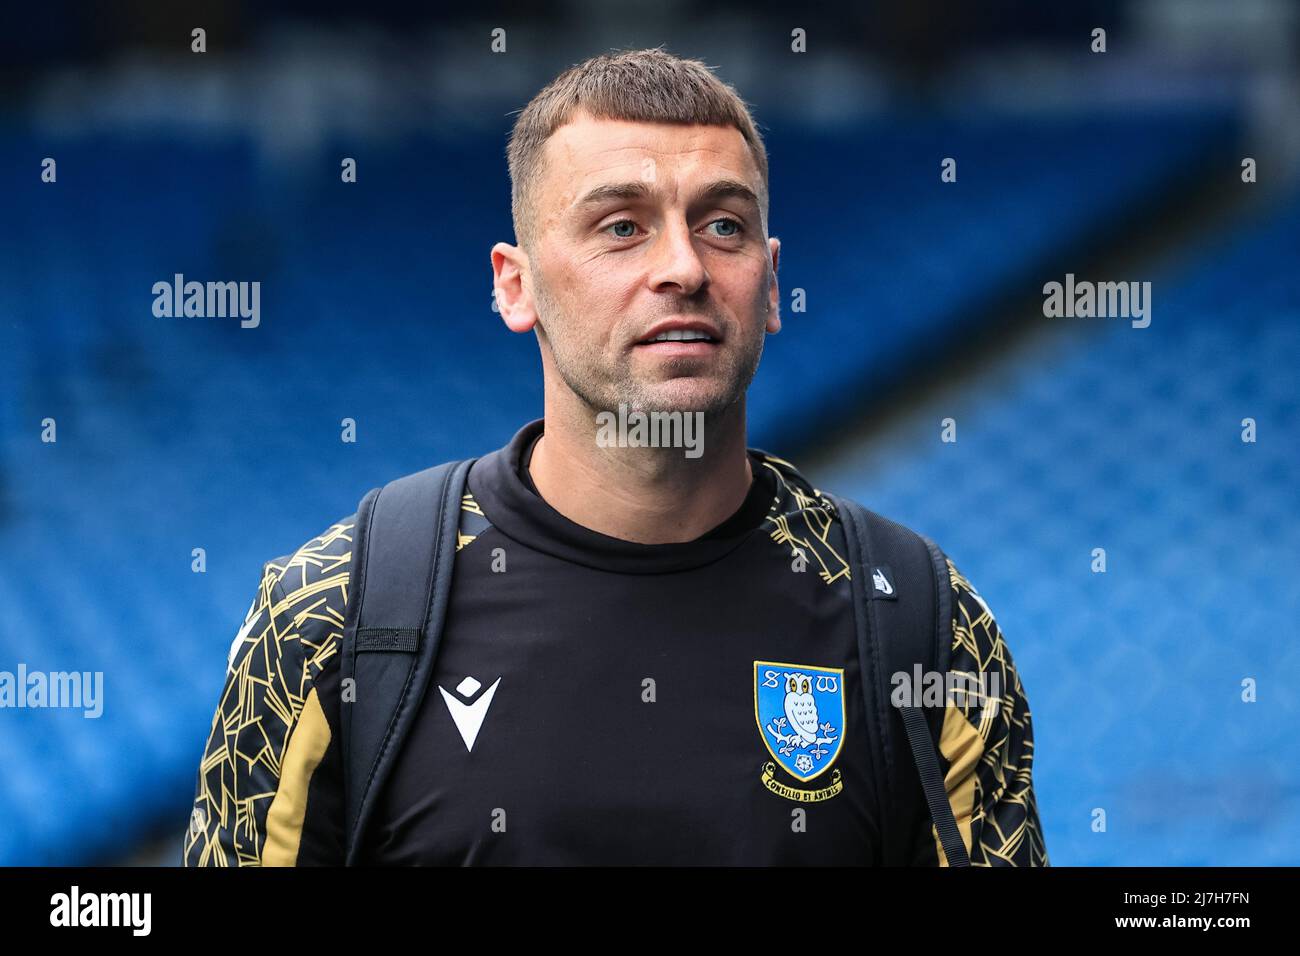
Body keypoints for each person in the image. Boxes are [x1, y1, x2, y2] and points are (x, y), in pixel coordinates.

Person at [182, 47, 1047, 867]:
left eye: (723, 224)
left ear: (772, 283)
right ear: (515, 285)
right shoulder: (337, 615)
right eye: (623, 225)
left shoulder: (920, 625)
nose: (683, 267)